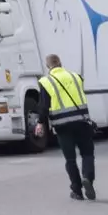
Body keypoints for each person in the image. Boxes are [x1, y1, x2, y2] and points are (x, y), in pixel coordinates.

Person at [36, 53, 94, 201]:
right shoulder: (76, 77)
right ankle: (87, 178)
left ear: (48, 66)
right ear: (60, 63)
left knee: (70, 159)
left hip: (62, 126)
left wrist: (40, 123)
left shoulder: (46, 81)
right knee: (87, 154)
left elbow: (44, 106)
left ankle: (77, 190)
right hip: (82, 122)